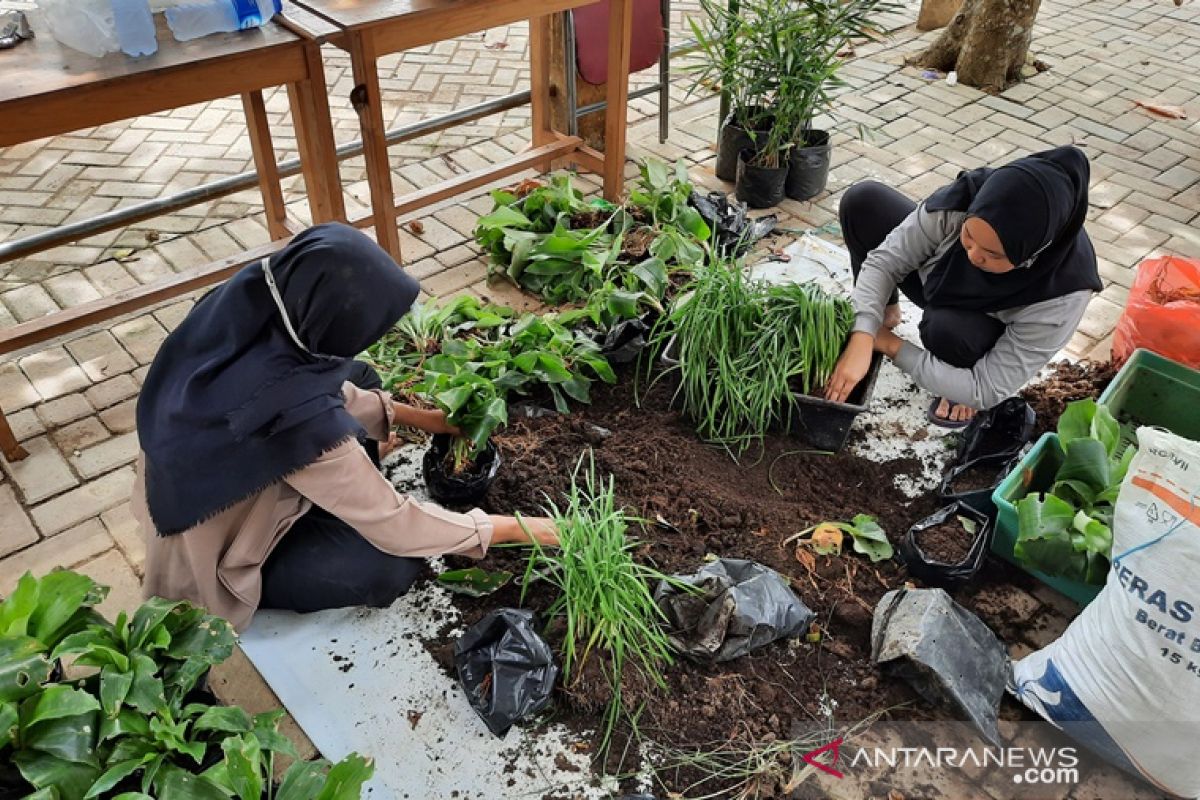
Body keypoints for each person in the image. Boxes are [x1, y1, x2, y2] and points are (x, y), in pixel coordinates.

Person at [133, 223, 556, 631]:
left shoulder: (247, 307)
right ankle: (324, 523)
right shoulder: (298, 419)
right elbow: (398, 527)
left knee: (360, 375)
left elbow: (318, 390)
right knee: (390, 567)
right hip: (222, 559)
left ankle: (350, 488)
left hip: (213, 483)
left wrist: (427, 421)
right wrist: (519, 527)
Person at [825, 145, 1103, 428]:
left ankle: (956, 379)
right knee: (864, 202)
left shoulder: (1062, 295)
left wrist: (888, 344)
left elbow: (987, 388)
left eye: (994, 254)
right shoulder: (967, 198)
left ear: (1032, 252)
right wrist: (864, 330)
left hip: (985, 325)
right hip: (940, 279)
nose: (973, 256)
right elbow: (884, 261)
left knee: (947, 331)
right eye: (968, 237)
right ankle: (886, 311)